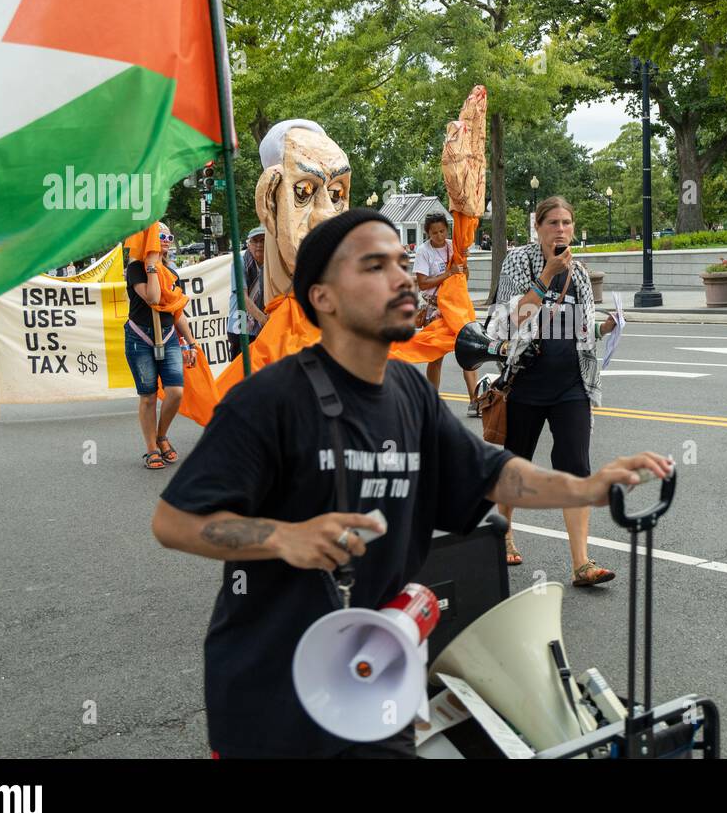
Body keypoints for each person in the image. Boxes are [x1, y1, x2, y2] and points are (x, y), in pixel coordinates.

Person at [151, 211, 670, 759]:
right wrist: (282, 539)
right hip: (273, 694)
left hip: (380, 678)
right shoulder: (270, 398)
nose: (403, 277)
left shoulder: (409, 392)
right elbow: (175, 521)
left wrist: (587, 488)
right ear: (322, 297)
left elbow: (493, 472)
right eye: (375, 266)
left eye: (402, 261)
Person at [488, 196, 621, 584]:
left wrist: (605, 328)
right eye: (552, 223)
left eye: (566, 223)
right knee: (515, 466)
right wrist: (545, 275)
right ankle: (505, 534)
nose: (560, 230)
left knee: (577, 470)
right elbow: (508, 322)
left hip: (571, 386)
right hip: (526, 383)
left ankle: (581, 563)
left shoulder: (578, 272)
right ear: (538, 228)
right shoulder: (519, 262)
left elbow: (580, 328)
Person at [125, 222, 199, 469]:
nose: (165, 240)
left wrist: (191, 343)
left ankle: (161, 435)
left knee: (176, 392)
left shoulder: (173, 274)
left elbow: (177, 312)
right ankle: (151, 448)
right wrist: (151, 265)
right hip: (140, 338)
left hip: (168, 338)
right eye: (159, 236)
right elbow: (154, 298)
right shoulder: (136, 269)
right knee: (148, 396)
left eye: (168, 236)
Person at [412, 212, 479, 415]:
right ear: (427, 233)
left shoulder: (454, 246)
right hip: (434, 308)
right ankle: (431, 402)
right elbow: (422, 283)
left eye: (442, 231)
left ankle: (474, 400)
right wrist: (447, 274)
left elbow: (465, 275)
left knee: (469, 351)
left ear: (447, 230)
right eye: (434, 233)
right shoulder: (424, 251)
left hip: (456, 307)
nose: (439, 236)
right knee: (436, 356)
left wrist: (462, 269)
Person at [227, 226, 268, 360]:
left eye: (263, 240)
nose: (259, 245)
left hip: (261, 327)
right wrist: (263, 319)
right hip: (240, 325)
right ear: (248, 244)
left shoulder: (271, 263)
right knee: (239, 371)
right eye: (255, 241)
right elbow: (242, 297)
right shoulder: (240, 261)